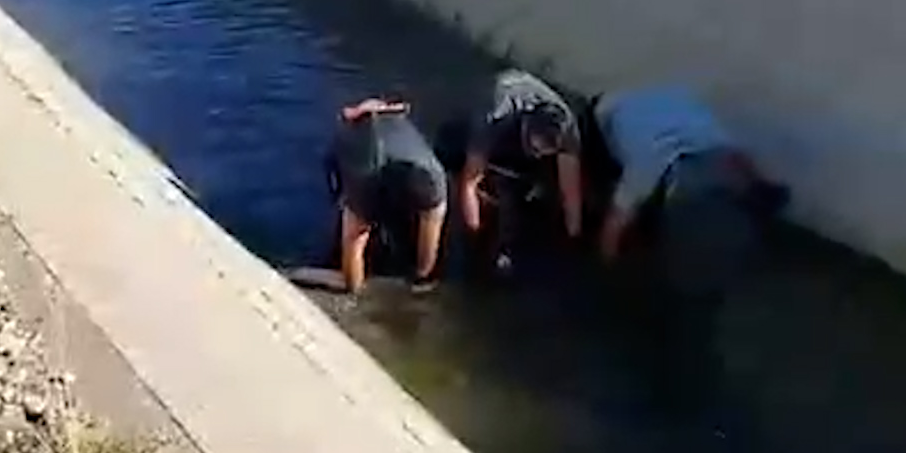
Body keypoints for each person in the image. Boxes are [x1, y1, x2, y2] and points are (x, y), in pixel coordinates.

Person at [588, 85, 789, 301]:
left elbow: (617, 220)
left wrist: (605, 262)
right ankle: (754, 194)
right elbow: (724, 146)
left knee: (688, 227)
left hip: (687, 179)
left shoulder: (642, 159)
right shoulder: (668, 98)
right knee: (726, 158)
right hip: (713, 152)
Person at [445, 69, 586, 274]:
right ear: (527, 124)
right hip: (498, 104)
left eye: (544, 152)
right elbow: (469, 184)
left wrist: (574, 239)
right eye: (535, 148)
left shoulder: (568, 131)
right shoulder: (493, 116)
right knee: (458, 157)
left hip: (528, 117)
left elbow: (571, 194)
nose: (538, 153)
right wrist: (474, 236)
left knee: (541, 189)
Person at [323, 98, 449, 295]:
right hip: (423, 172)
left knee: (355, 236)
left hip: (367, 171)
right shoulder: (405, 126)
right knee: (431, 217)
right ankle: (422, 277)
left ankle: (353, 288)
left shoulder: (344, 134)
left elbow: (335, 182)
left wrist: (345, 204)